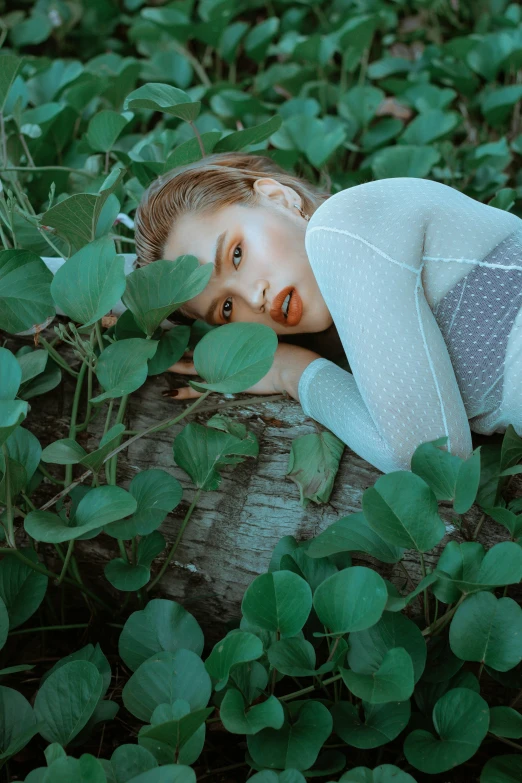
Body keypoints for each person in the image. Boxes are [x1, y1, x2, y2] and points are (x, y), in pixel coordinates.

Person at [134, 152, 522, 475]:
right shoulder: (356, 294)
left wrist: (291, 371)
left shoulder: (342, 227)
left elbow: (436, 462)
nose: (255, 297)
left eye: (237, 253)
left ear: (277, 196)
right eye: (227, 308)